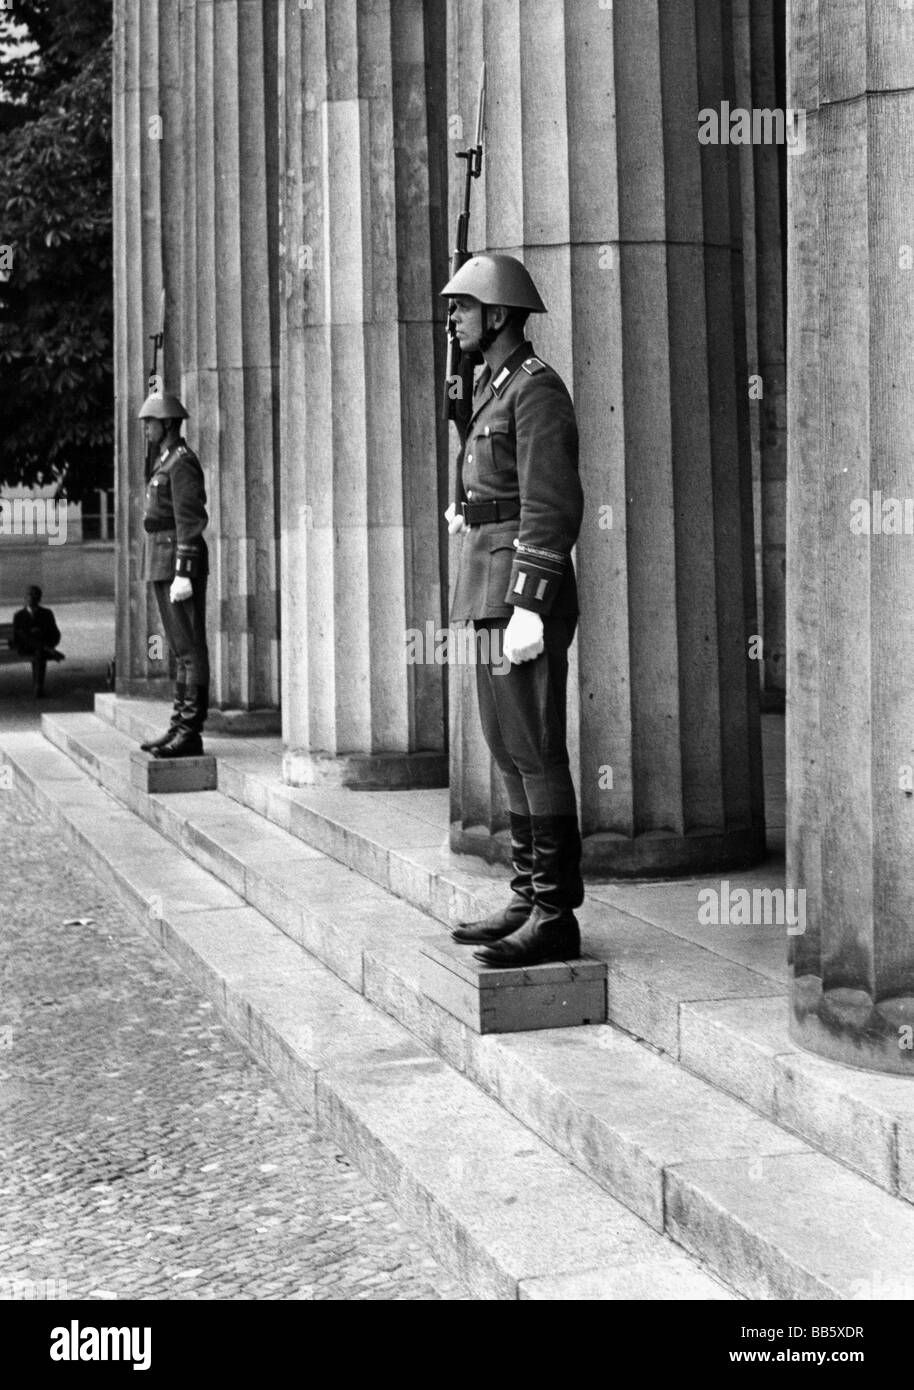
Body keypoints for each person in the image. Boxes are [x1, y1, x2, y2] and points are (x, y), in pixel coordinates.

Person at [439, 253, 585, 967]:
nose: (454, 319)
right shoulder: (494, 390)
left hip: (519, 599)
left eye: (463, 307)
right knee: (505, 748)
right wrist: (470, 508)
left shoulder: (535, 390)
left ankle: (556, 913)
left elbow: (552, 503)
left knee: (535, 748)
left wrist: (531, 603)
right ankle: (529, 895)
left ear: (497, 314)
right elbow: (501, 488)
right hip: (487, 592)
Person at [137, 393, 210, 758]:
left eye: (150, 422)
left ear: (167, 424)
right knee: (180, 652)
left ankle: (190, 732)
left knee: (190, 649)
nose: (146, 428)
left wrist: (184, 572)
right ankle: (178, 726)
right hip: (161, 560)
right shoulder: (164, 460)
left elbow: (190, 520)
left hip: (177, 564)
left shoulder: (181, 463)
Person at [11, 585, 64, 697]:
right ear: (25, 598)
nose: (31, 598)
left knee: (39, 654)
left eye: (34, 595)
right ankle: (38, 686)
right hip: (25, 647)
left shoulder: (47, 613)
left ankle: (38, 687)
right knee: (30, 641)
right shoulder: (19, 615)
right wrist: (33, 635)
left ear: (39, 599)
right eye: (29, 595)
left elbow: (55, 633)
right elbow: (19, 636)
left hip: (41, 648)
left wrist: (42, 634)